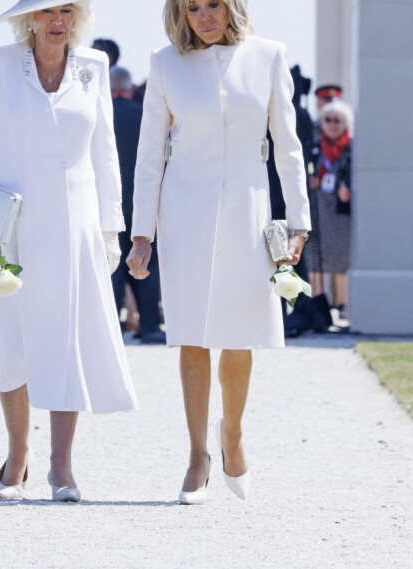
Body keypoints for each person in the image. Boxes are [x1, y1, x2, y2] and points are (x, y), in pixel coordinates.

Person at [0, 0, 138, 501]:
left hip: (74, 227)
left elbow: (106, 156)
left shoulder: (95, 68)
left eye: (67, 10)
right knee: (12, 340)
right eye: (47, 11)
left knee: (66, 341)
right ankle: (17, 455)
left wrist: (110, 229)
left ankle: (61, 465)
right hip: (7, 225)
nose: (58, 21)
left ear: (79, 17)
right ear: (28, 19)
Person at [127, 0, 310, 504]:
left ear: (231, 6)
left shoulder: (270, 56)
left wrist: (300, 223)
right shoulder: (166, 63)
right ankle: (197, 455)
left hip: (249, 213)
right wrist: (142, 233)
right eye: (192, 8)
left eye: (212, 4)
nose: (204, 16)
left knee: (240, 332)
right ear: (180, 14)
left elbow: (289, 146)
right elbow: (148, 152)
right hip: (183, 212)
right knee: (190, 332)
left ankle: (232, 435)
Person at [110, 66, 166, 344]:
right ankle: (150, 325)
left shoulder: (100, 114)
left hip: (108, 201)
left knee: (111, 264)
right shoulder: (142, 113)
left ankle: (110, 327)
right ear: (130, 88)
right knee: (147, 262)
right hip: (141, 200)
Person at [304, 99, 353, 315]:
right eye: (327, 120)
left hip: (340, 212)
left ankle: (342, 304)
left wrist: (348, 187)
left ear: (346, 123)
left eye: (337, 120)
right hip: (317, 207)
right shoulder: (315, 148)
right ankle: (318, 304)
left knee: (340, 258)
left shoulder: (352, 148)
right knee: (314, 255)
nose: (332, 124)